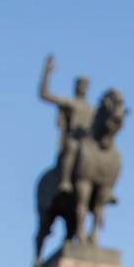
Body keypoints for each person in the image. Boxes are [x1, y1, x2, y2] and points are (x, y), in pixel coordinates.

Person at [39, 54, 95, 197]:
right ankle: (65, 180)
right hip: (74, 139)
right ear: (76, 87)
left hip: (88, 143)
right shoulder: (70, 103)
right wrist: (47, 72)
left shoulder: (93, 110)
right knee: (71, 146)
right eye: (80, 85)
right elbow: (44, 94)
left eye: (85, 85)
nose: (82, 87)